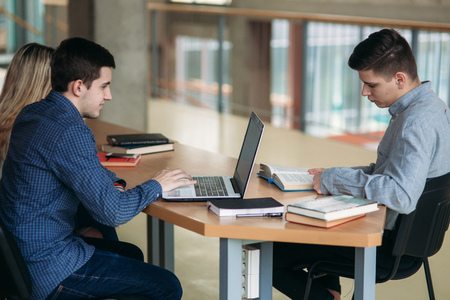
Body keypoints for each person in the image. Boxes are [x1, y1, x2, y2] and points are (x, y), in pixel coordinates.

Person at [0, 37, 196, 300]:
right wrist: (157, 184)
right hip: (50, 268)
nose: (109, 95)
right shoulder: (70, 130)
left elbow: (88, 169)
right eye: (104, 86)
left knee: (131, 254)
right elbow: (112, 213)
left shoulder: (33, 113)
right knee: (167, 285)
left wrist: (112, 184)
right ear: (79, 86)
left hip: (20, 258)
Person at [272, 28, 450, 300]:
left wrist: (336, 180)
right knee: (313, 222)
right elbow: (391, 173)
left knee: (269, 252)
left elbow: (402, 194)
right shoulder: (432, 107)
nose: (364, 92)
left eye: (372, 84)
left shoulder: (415, 123)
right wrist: (333, 175)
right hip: (408, 241)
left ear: (399, 79)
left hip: (387, 248)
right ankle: (330, 292)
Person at [0, 43, 116, 241]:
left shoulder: (23, 120)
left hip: (19, 237)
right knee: (101, 216)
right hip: (34, 240)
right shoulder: (43, 128)